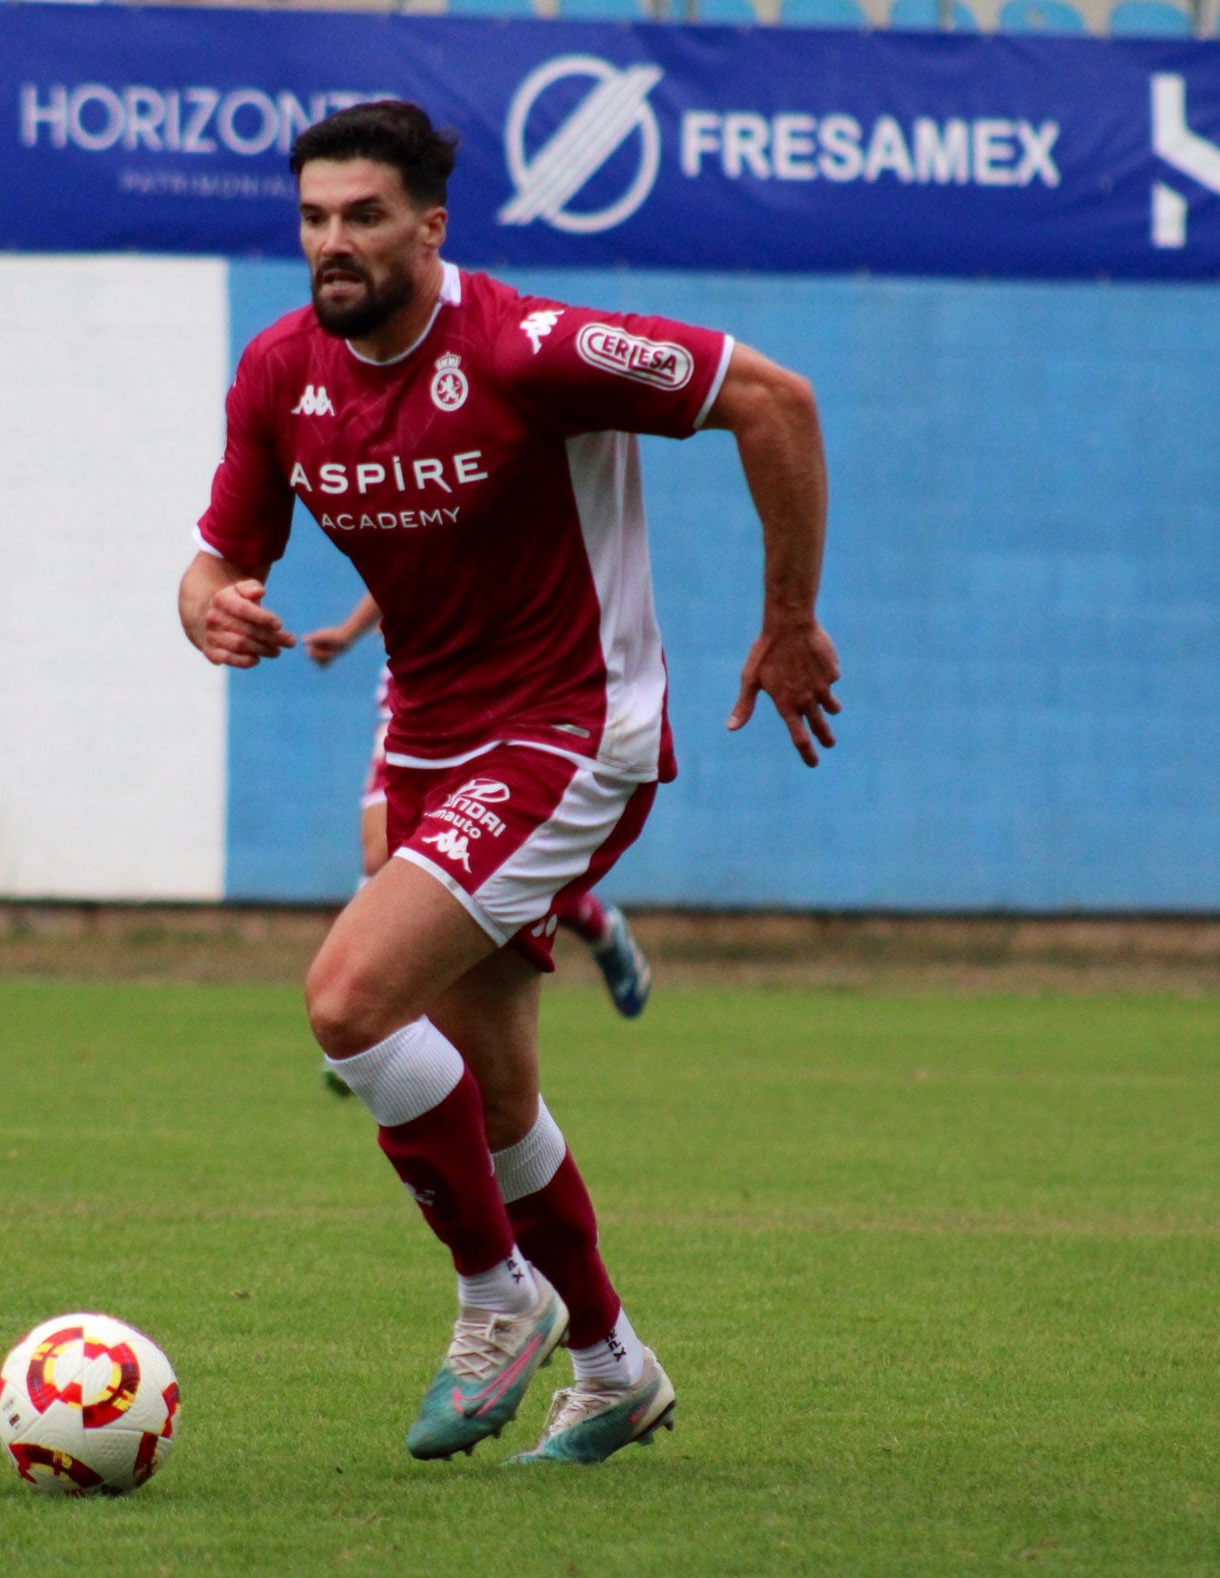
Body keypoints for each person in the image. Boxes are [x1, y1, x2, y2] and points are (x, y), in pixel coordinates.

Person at [176, 101, 838, 1467]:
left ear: (431, 222)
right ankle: (612, 1363)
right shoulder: (278, 372)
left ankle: (499, 1300)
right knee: (492, 1095)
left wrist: (788, 619)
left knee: (348, 1003)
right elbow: (218, 554)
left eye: (364, 215)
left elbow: (775, 399)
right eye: (312, 218)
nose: (332, 244)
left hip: (570, 727)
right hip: (430, 734)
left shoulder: (529, 347)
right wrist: (208, 605)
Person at [303, 591, 653, 1019]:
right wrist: (347, 632)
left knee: (488, 858)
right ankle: (366, 1007)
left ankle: (596, 924)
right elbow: (408, 557)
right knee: (382, 851)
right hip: (416, 684)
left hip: (499, 679)